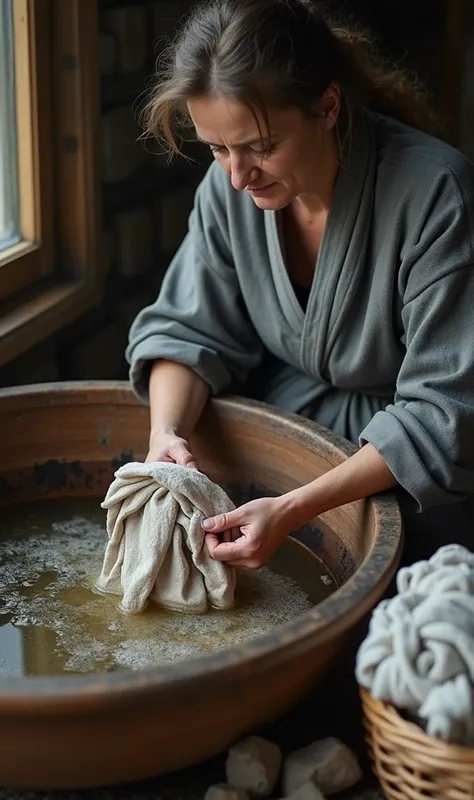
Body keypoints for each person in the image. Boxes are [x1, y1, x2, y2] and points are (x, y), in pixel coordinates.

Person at [127, 0, 474, 570]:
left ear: (328, 106)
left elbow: (444, 415)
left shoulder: (437, 196)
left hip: (404, 473)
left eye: (261, 147)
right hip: (277, 438)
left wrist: (292, 508)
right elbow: (187, 329)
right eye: (218, 149)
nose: (238, 177)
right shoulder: (229, 195)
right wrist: (166, 435)